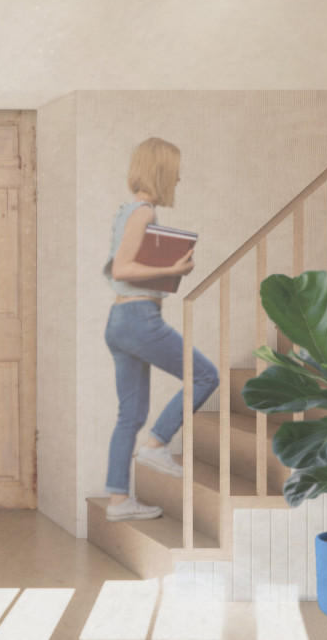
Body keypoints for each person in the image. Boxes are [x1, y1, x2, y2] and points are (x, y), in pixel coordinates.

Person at [102, 137, 219, 522]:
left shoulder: (128, 210)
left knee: (129, 415)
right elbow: (121, 269)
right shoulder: (144, 213)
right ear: (161, 171)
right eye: (176, 170)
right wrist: (172, 270)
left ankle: (118, 502)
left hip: (121, 321)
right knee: (205, 375)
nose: (180, 177)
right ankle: (157, 445)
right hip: (138, 320)